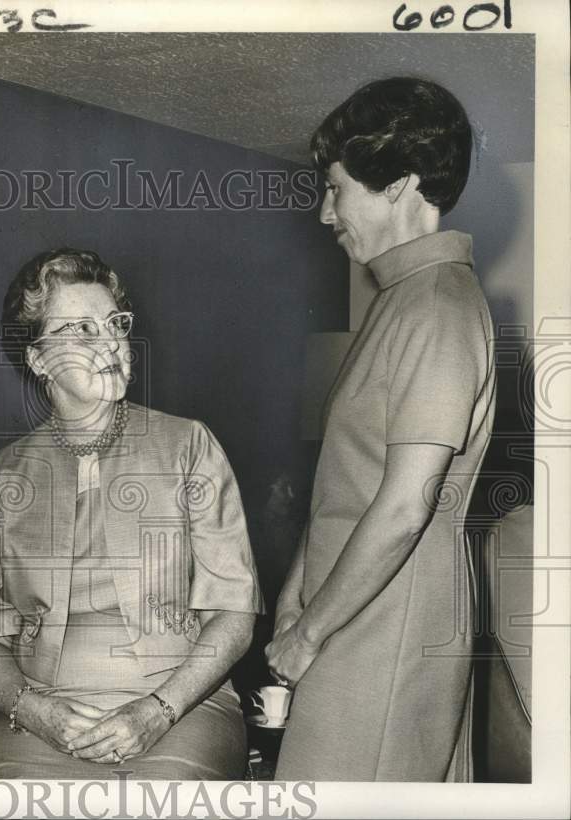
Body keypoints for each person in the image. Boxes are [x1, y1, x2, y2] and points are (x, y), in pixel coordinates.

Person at [0, 248, 264, 779]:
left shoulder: (189, 445)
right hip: (40, 716)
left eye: (114, 324)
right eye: (81, 330)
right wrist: (35, 711)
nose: (111, 343)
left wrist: (158, 709)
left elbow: (233, 612)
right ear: (38, 360)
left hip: (182, 705)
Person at [267, 77, 496, 781]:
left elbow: (403, 507)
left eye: (337, 189)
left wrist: (308, 632)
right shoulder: (399, 299)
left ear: (398, 184)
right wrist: (294, 597)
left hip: (388, 624)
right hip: (351, 610)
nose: (325, 212)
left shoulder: (439, 307)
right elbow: (349, 481)